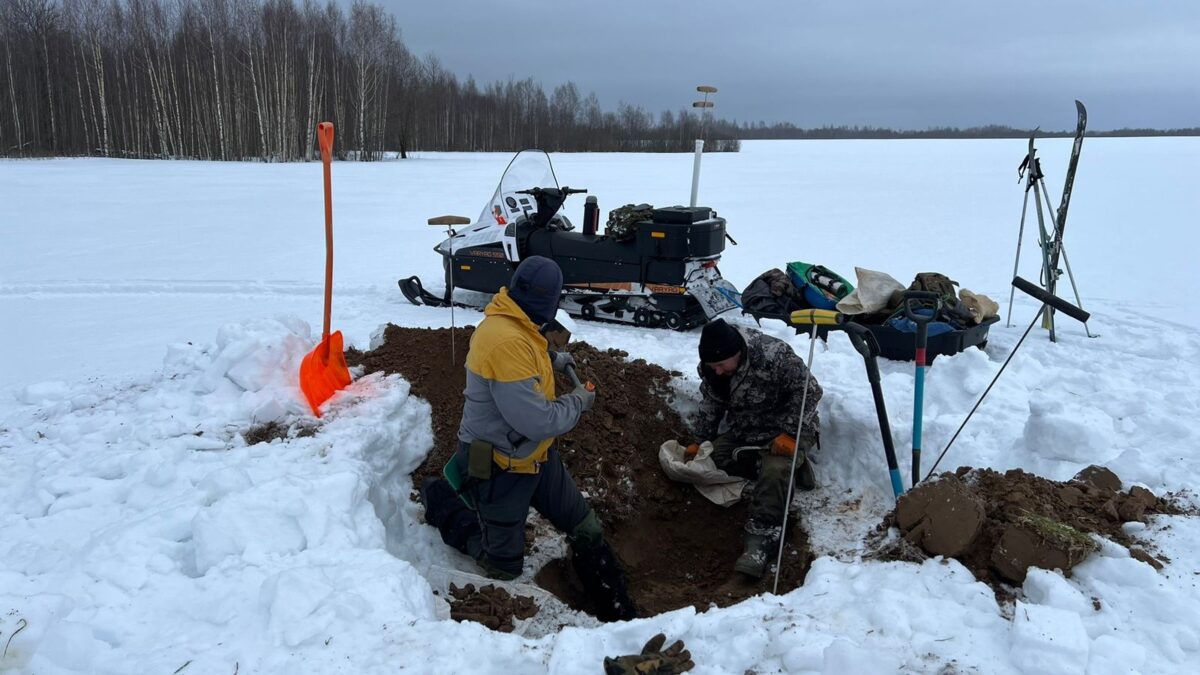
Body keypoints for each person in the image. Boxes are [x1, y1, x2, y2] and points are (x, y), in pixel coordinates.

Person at [422, 256, 637, 621]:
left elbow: (526, 359)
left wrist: (548, 358)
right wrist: (577, 402)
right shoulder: (504, 340)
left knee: (586, 528)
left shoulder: (519, 322)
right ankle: (443, 501)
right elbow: (537, 421)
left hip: (535, 456)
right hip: (496, 462)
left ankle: (618, 611)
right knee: (501, 567)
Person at [692, 318, 823, 578]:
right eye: (712, 367)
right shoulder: (713, 369)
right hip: (748, 430)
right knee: (714, 457)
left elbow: (810, 391)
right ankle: (786, 472)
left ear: (736, 353)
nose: (717, 371)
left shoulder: (773, 356)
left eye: (720, 365)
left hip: (790, 429)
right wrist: (699, 439)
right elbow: (712, 402)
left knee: (774, 471)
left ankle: (760, 541)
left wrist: (790, 432)